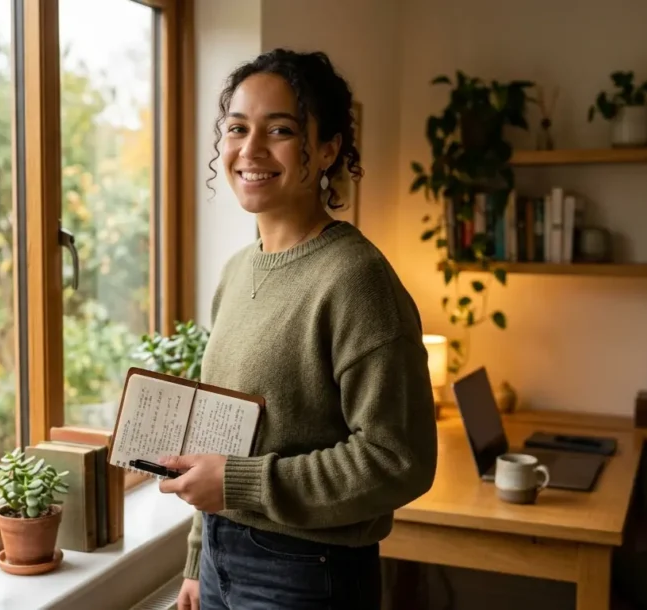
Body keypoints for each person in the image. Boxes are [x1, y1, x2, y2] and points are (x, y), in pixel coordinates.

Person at [156, 49, 439, 610]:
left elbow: (398, 458)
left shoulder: (356, 278)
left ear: (328, 149)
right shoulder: (237, 271)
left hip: (308, 573)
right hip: (219, 558)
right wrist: (196, 559)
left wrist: (238, 484)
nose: (250, 149)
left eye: (280, 130)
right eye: (238, 128)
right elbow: (221, 436)